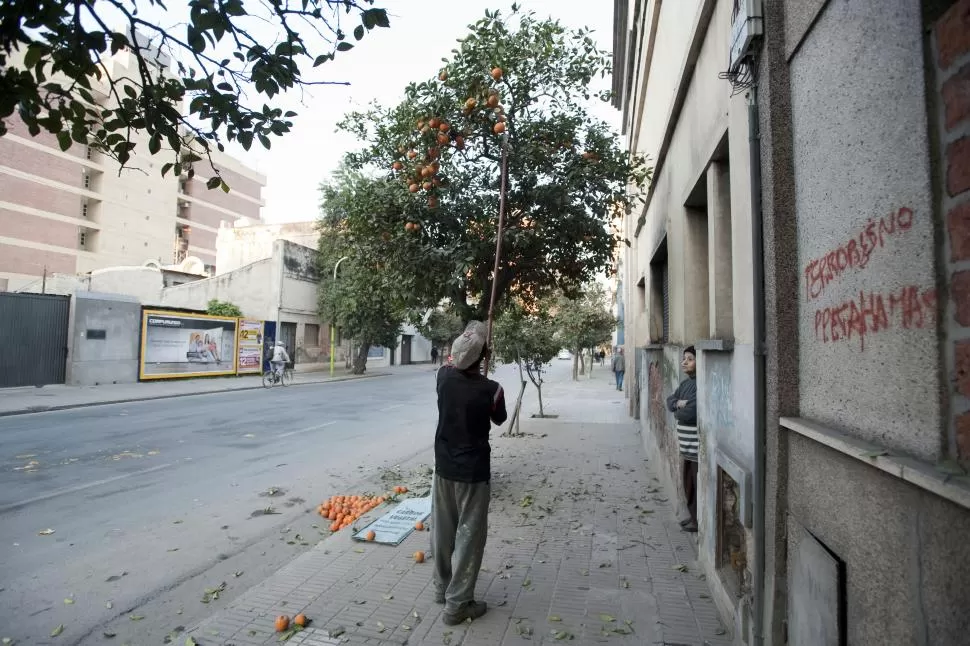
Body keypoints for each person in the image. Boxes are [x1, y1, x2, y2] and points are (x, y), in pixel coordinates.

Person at [432, 321, 507, 626]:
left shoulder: (443, 378)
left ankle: (441, 588)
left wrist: (476, 357)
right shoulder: (492, 390)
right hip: (473, 474)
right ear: (483, 357)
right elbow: (500, 419)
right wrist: (484, 380)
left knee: (443, 531)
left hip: (444, 468)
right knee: (469, 537)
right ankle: (458, 604)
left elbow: (454, 366)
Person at [666, 346, 698, 533]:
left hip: (694, 448)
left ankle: (697, 520)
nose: (684, 362)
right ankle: (692, 517)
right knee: (688, 483)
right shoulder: (686, 384)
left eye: (690, 359)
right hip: (686, 448)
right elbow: (670, 400)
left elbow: (691, 412)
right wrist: (678, 404)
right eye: (684, 358)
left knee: (695, 483)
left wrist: (679, 410)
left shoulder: (698, 384)